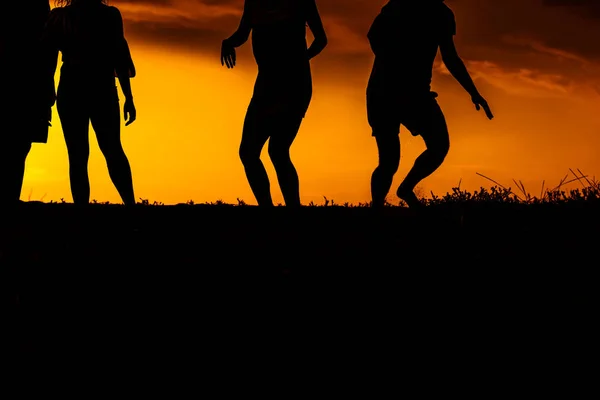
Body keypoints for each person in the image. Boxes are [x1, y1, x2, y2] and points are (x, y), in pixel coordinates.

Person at [367, 0, 494, 208]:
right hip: (384, 92)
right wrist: (396, 68)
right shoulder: (398, 6)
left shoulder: (442, 14)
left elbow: (450, 57)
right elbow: (373, 36)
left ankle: (405, 189)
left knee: (439, 146)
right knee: (389, 161)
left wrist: (473, 92)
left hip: (416, 94)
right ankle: (377, 210)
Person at [221, 0, 327, 207]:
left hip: (294, 84)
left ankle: (290, 210)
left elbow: (321, 39)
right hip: (267, 84)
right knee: (251, 153)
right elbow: (242, 34)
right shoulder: (253, 2)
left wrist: (299, 60)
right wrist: (229, 42)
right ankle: (269, 210)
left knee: (276, 151)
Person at [43, 0, 137, 206]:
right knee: (110, 149)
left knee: (80, 154)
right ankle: (130, 206)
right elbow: (118, 57)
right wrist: (128, 97)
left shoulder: (61, 17)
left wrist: (47, 92)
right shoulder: (109, 16)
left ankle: (85, 211)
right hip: (99, 86)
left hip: (74, 86)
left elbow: (48, 57)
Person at [0, 1, 54, 205]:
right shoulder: (38, 7)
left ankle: (9, 198)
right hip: (27, 86)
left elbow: (48, 52)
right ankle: (9, 198)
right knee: (18, 145)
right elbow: (49, 53)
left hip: (29, 86)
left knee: (18, 144)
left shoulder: (38, 7)